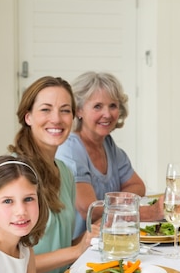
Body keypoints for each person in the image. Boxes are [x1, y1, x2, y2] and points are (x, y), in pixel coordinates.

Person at [9, 76, 96, 273]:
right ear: (28, 117)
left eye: (65, 110)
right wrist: (77, 250)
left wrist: (91, 237)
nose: (56, 119)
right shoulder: (14, 175)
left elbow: (62, 244)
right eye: (46, 110)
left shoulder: (64, 171)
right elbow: (9, 264)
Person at [56, 71, 164, 239]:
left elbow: (137, 186)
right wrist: (151, 212)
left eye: (113, 106)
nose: (107, 114)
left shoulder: (108, 144)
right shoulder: (70, 149)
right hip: (79, 248)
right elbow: (90, 210)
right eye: (97, 106)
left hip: (108, 238)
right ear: (79, 111)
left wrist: (116, 201)